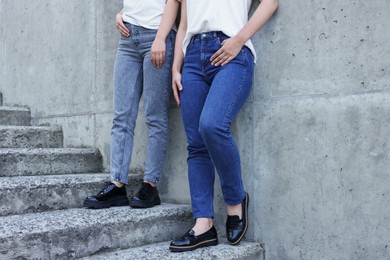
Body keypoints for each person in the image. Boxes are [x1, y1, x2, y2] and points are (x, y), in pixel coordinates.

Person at [169, 0, 278, 252]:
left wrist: (239, 39)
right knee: (196, 144)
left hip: (231, 51)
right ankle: (203, 224)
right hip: (193, 58)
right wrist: (176, 67)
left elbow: (270, 3)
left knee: (212, 125)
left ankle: (235, 201)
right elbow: (184, 24)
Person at [83, 0, 180, 209]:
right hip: (127, 38)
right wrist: (122, 13)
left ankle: (150, 185)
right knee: (122, 116)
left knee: (155, 116)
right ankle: (117, 184)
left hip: (156, 34)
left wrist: (161, 37)